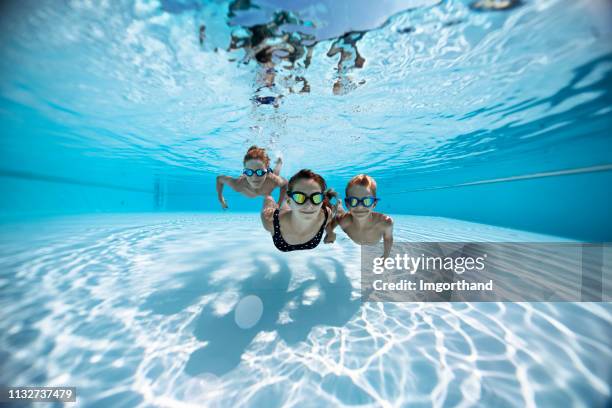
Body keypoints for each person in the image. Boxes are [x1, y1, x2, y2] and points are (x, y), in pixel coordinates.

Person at [261, 169, 337, 252]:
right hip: (285, 208)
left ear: (322, 201)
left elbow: (328, 223)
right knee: (269, 197)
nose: (309, 206)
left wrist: (330, 232)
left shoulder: (326, 214)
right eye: (299, 197)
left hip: (291, 201)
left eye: (316, 197)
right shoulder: (270, 221)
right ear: (289, 201)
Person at [324, 174, 393, 258]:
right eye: (353, 201)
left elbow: (388, 239)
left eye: (367, 201)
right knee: (339, 211)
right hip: (344, 216)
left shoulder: (385, 223)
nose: (360, 207)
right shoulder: (344, 221)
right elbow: (329, 225)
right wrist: (330, 233)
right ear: (347, 204)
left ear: (374, 203)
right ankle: (339, 204)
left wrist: (386, 256)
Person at [216, 145, 286, 209]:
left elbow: (285, 184)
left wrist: (279, 203)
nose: (254, 177)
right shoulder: (238, 184)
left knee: (276, 172)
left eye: (260, 172)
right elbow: (219, 179)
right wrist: (220, 198)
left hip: (268, 180)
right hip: (264, 186)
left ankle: (279, 162)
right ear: (245, 172)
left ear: (267, 171)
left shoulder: (272, 180)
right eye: (249, 172)